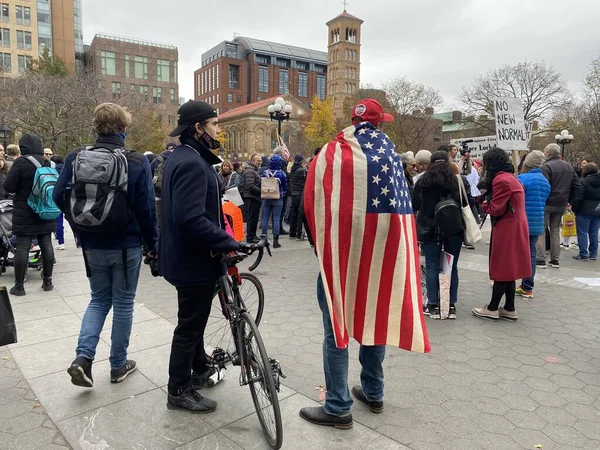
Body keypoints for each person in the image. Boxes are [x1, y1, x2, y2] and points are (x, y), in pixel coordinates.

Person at [301, 98, 430, 429]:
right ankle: (373, 391)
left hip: (340, 258)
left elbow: (309, 203)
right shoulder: (392, 158)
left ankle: (338, 405)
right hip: (381, 256)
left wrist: (322, 246)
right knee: (374, 317)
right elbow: (404, 215)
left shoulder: (331, 154)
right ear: (381, 124)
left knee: (336, 330)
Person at [54, 103, 158, 387]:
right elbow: (147, 209)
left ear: (96, 126)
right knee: (123, 303)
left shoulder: (76, 156)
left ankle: (83, 358)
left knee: (98, 300)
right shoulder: (137, 162)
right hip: (126, 244)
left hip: (91, 243)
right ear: (124, 128)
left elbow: (57, 196)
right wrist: (154, 245)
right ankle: (117, 365)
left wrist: (79, 226)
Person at [159, 100, 240, 413]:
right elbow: (190, 218)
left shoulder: (183, 156)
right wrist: (227, 241)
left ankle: (199, 367)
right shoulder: (192, 162)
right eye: (215, 124)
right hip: (194, 262)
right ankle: (178, 389)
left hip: (186, 259)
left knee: (193, 320)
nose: (218, 129)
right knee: (189, 326)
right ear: (198, 127)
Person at [473, 148, 531, 320]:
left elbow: (495, 209)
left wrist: (484, 203)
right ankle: (509, 307)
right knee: (510, 267)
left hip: (508, 226)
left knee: (502, 266)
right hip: (516, 224)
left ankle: (492, 308)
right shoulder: (510, 177)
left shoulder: (501, 180)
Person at [413, 151, 464, 319]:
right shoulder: (456, 180)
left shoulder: (423, 182)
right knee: (451, 266)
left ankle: (433, 305)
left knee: (432, 266)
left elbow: (414, 204)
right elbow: (465, 202)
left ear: (431, 163)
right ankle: (450, 304)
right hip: (453, 228)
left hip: (430, 229)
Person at [4, 134, 56, 296]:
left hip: (24, 210)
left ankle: (19, 286)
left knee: (22, 247)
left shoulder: (21, 162)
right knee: (46, 244)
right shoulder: (49, 162)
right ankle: (47, 282)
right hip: (45, 210)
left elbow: (9, 187)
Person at [536, 143, 580, 268]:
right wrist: (569, 200)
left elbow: (544, 186)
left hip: (547, 202)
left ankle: (540, 259)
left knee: (541, 230)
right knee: (555, 230)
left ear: (548, 154)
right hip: (562, 203)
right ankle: (555, 260)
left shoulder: (546, 167)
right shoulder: (569, 167)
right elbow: (577, 185)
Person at [516, 150, 551, 299]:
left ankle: (506, 279)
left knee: (513, 252)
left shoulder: (522, 179)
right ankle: (527, 286)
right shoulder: (544, 181)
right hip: (537, 223)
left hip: (521, 222)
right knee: (531, 253)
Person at [571, 162, 600, 261]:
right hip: (597, 210)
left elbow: (579, 197)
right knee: (594, 232)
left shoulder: (584, 181)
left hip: (584, 210)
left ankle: (583, 253)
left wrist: (575, 208)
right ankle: (593, 253)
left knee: (582, 232)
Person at [260, 154, 287, 248]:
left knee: (265, 219)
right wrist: (282, 194)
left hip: (266, 197)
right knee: (276, 219)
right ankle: (276, 241)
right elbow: (285, 186)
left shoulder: (264, 172)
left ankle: (264, 239)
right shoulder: (281, 173)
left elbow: (260, 184)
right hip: (277, 198)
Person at [240, 154, 263, 243]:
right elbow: (250, 186)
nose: (260, 162)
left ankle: (252, 235)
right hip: (251, 197)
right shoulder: (250, 171)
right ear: (253, 161)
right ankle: (250, 236)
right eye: (258, 161)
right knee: (252, 218)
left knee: (254, 218)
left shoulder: (252, 170)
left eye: (261, 160)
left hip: (253, 197)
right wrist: (261, 191)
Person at [288, 154, 307, 239]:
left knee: (293, 213)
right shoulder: (301, 170)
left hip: (294, 193)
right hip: (300, 193)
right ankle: (299, 232)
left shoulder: (293, 169)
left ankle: (292, 232)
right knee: (300, 214)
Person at [51, 155, 67, 250]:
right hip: (66, 194)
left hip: (56, 195)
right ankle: (78, 239)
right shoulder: (66, 168)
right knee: (71, 220)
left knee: (59, 220)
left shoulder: (52, 170)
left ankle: (61, 242)